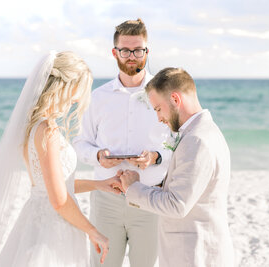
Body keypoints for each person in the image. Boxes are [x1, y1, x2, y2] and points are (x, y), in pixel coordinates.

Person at [0, 51, 120, 267]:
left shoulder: (33, 126)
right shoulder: (47, 130)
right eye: (77, 92)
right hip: (53, 227)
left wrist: (100, 184)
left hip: (38, 219)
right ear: (64, 87)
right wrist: (93, 231)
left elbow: (54, 185)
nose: (77, 101)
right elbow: (59, 200)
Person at [73, 19, 171, 267]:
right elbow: (80, 143)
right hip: (107, 199)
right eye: (125, 50)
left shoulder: (164, 95)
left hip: (151, 197)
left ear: (147, 52)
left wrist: (155, 157)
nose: (132, 56)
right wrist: (97, 156)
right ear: (114, 52)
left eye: (138, 50)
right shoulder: (97, 97)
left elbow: (178, 145)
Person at [118, 67, 234, 267]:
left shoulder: (197, 140)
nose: (158, 118)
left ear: (175, 99)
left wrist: (133, 188)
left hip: (193, 254)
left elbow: (177, 205)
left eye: (158, 109)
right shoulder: (205, 131)